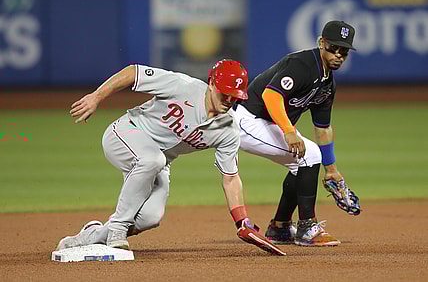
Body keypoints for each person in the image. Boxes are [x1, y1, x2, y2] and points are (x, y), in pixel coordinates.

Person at [56, 59, 285, 256]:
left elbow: (231, 177)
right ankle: (116, 228)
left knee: (150, 218)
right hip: (126, 133)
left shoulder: (228, 129)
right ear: (212, 83)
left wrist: (241, 220)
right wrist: (96, 97)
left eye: (234, 96)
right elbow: (133, 72)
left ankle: (89, 236)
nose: (228, 99)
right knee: (152, 160)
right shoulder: (182, 86)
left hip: (157, 161)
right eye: (224, 92)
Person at [233, 20, 356, 246]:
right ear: (321, 43)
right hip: (246, 119)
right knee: (310, 156)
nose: (338, 54)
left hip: (267, 122)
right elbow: (271, 95)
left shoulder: (328, 84)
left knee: (302, 163)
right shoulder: (302, 64)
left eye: (344, 51)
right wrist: (289, 131)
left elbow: (323, 128)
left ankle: (279, 227)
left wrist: (332, 170)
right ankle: (307, 227)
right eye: (333, 48)